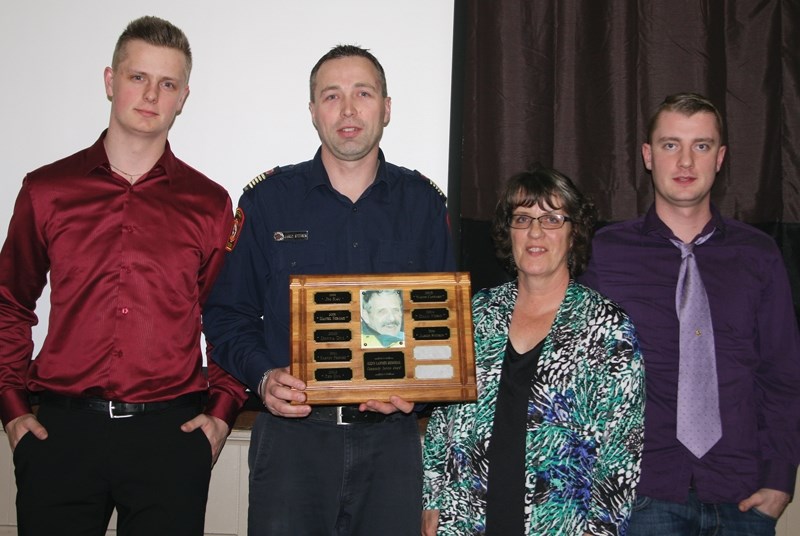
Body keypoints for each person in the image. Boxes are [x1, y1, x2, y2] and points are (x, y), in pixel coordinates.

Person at [0, 16, 247, 535]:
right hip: (59, 436)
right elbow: (10, 302)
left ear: (183, 97)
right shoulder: (47, 190)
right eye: (138, 78)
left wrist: (221, 415)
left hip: (171, 437)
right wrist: (13, 409)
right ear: (110, 81)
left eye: (168, 83)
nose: (151, 94)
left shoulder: (209, 204)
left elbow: (229, 317)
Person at [202, 44, 454, 535]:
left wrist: (417, 396)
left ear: (386, 107)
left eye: (363, 93)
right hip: (293, 441)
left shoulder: (423, 205)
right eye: (332, 95)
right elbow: (225, 315)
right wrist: (262, 378)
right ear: (314, 112)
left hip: (392, 446)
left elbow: (441, 330)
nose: (349, 109)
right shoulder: (269, 202)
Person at [581, 93, 800, 535]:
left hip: (744, 497)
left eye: (700, 146)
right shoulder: (603, 253)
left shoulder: (757, 254)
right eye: (669, 145)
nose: (685, 161)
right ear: (647, 155)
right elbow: (578, 375)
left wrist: (780, 481)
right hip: (642, 495)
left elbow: (783, 375)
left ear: (720, 158)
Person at [422, 167, 645, 535]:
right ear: (508, 232)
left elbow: (621, 454)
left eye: (552, 219)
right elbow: (443, 421)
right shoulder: (476, 314)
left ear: (574, 233)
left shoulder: (608, 329)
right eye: (523, 218)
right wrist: (432, 501)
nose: (535, 232)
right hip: (467, 519)